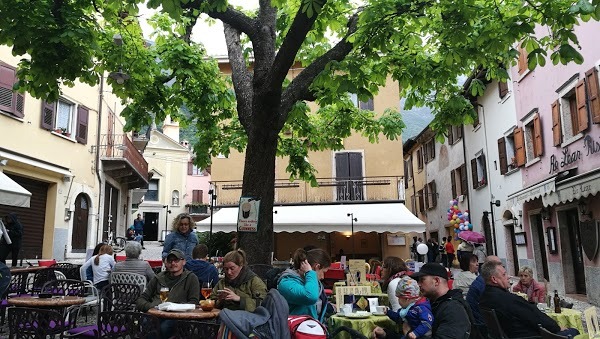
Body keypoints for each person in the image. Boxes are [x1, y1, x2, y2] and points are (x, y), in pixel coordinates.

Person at [479, 261, 578, 338]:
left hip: (510, 335)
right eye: (504, 274)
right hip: (528, 336)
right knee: (574, 332)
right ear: (494, 279)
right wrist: (557, 327)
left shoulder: (484, 297)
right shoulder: (507, 299)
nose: (508, 277)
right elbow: (535, 317)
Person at [373, 263, 473, 339]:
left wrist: (409, 334)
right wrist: (386, 334)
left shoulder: (453, 309)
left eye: (422, 280)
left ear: (436, 281)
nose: (419, 284)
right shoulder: (430, 303)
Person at [136, 249, 200, 338]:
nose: (173, 263)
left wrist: (175, 309)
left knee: (164, 327)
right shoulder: (158, 278)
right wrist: (152, 308)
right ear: (166, 263)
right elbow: (141, 299)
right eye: (170, 261)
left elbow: (194, 302)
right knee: (145, 322)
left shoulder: (191, 278)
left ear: (184, 262)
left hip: (178, 317)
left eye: (176, 260)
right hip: (156, 314)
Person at [277, 248, 332, 322]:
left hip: (309, 329)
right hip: (293, 331)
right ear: (317, 267)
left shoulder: (312, 282)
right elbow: (310, 297)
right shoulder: (286, 283)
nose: (323, 277)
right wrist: (310, 272)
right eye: (323, 272)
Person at [465, 255, 500, 339]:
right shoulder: (483, 284)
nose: (502, 268)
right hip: (483, 327)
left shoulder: (482, 280)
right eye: (499, 265)